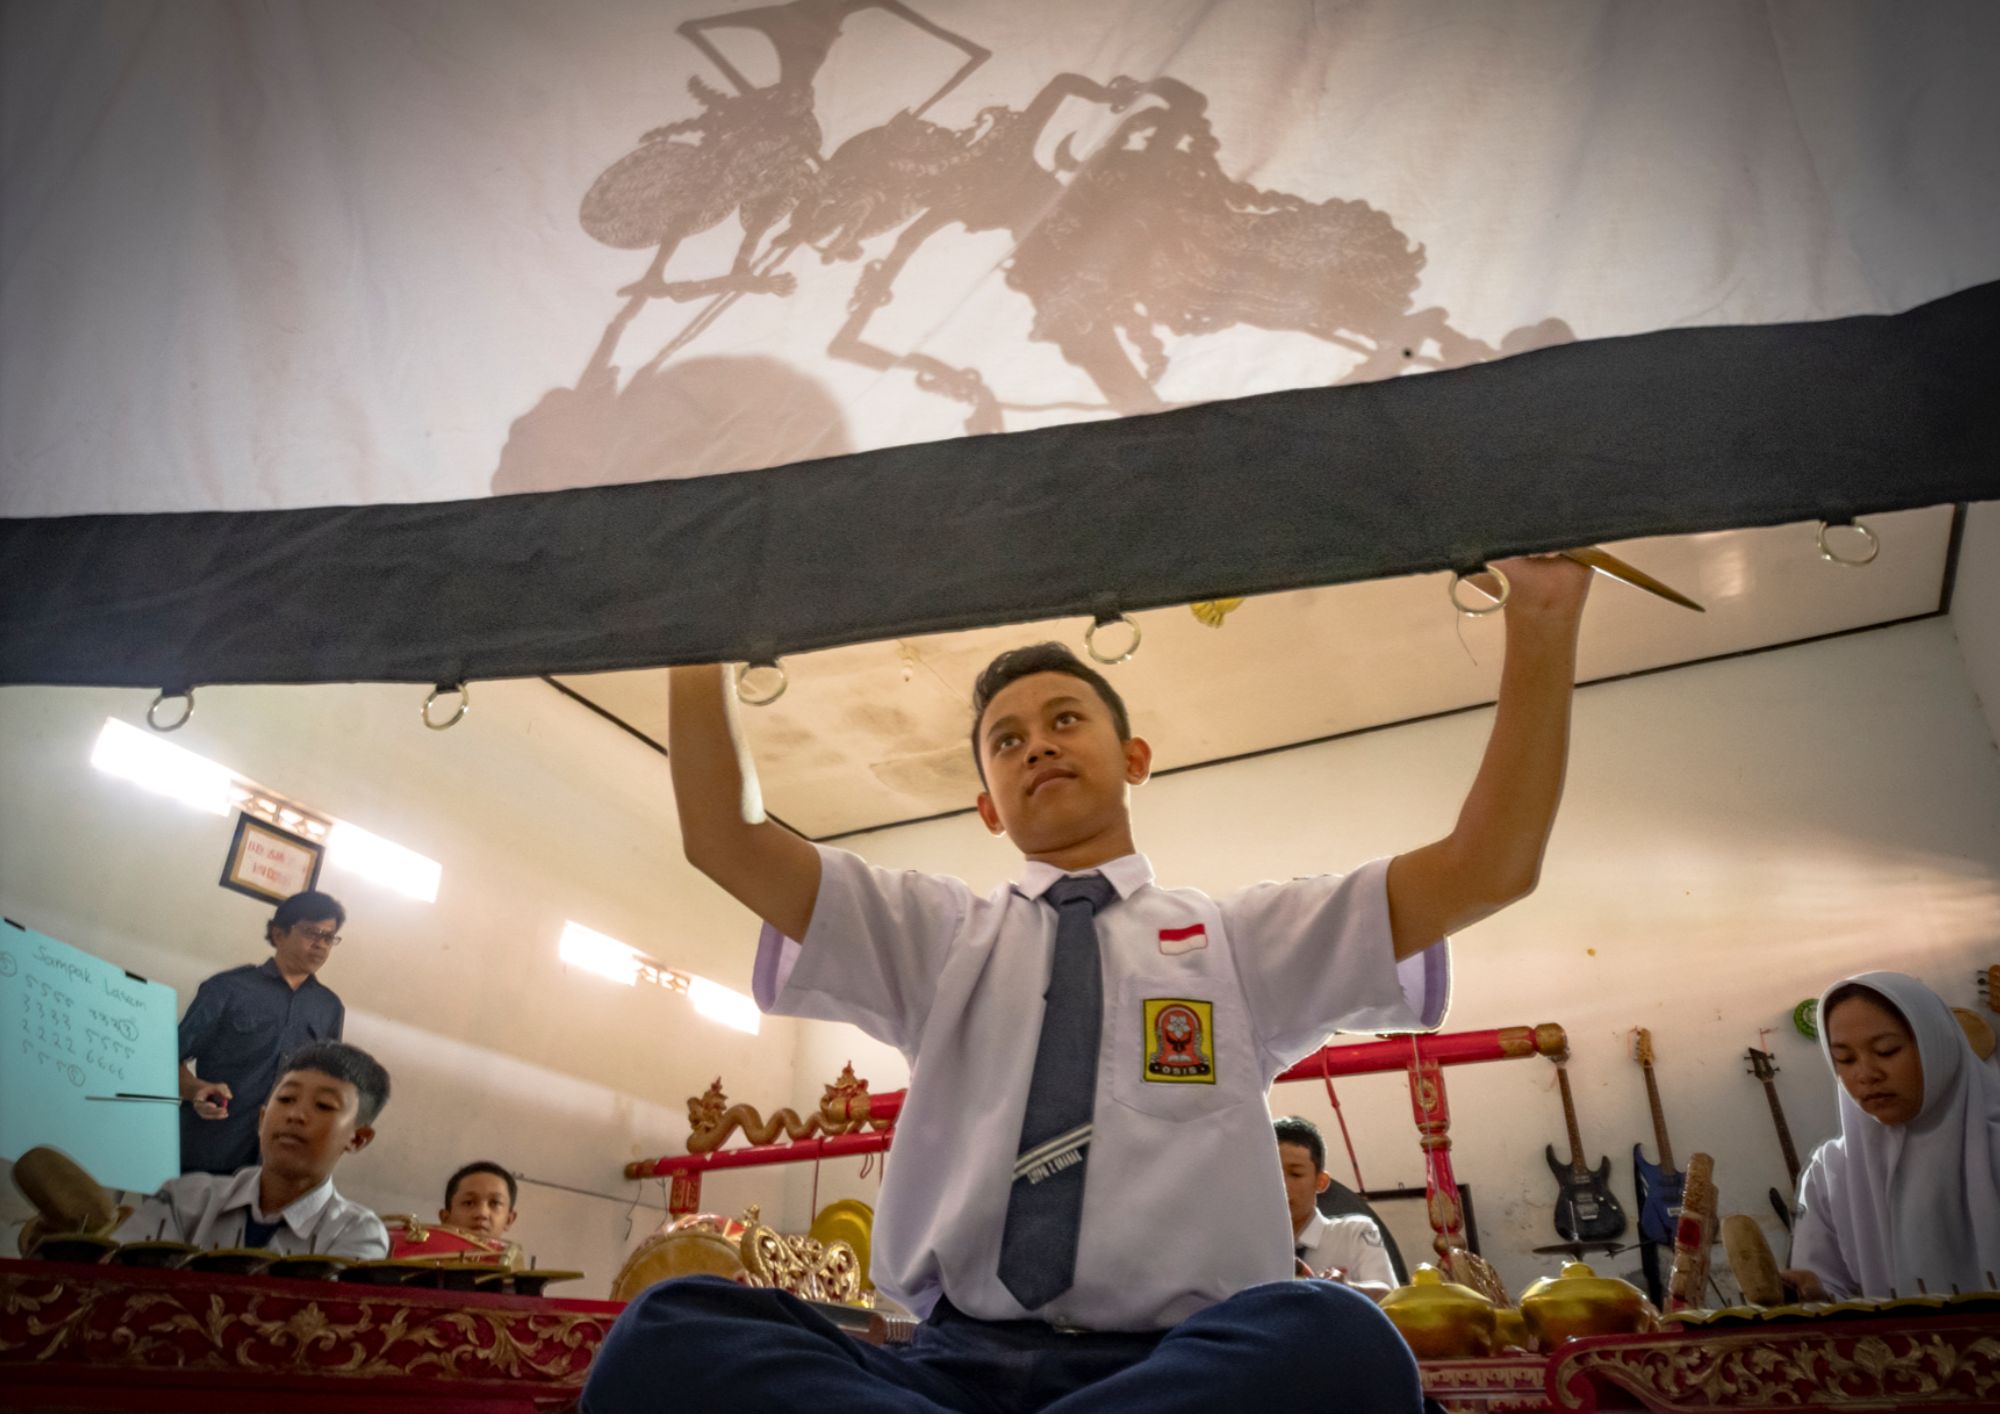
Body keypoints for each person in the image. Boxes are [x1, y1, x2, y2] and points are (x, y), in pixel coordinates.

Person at [587, 554, 1590, 1412]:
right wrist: (696, 635)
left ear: (1133, 756)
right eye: (1007, 739)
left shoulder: (1238, 941)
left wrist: (1542, 616)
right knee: (669, 1334)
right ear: (987, 803)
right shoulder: (936, 937)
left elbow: (1488, 864)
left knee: (1340, 1344)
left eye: (1064, 718)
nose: (1038, 745)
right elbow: (725, 837)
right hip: (946, 1364)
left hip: (1172, 1369)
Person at [1780, 972, 2000, 1302]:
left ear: (1937, 1045)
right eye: (1845, 1059)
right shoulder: (1832, 1170)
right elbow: (1827, 1287)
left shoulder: (1993, 1145)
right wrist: (1814, 1294)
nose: (1866, 1074)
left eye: (1887, 1051)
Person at [115, 1041, 391, 1259]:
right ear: (261, 1120)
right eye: (285, 1099)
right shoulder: (183, 1200)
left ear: (358, 1139)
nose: (295, 1115)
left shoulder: (357, 1233)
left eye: (323, 1106)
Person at [176, 891, 348, 1175]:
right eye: (311, 933)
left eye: (328, 937)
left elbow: (326, 1085)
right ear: (279, 934)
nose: (320, 945)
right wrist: (197, 1089)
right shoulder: (227, 989)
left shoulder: (329, 1007)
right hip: (209, 1150)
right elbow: (166, 1061)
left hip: (277, 1164)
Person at [1276, 1116, 1395, 1300]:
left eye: (1296, 1174)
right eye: (1273, 1173)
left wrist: (1346, 1289)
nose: (1282, 1185)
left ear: (1320, 1182)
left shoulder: (1355, 1232)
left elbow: (1389, 1294)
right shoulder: (1248, 1245)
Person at [441, 1160, 520, 1241]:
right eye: (469, 1203)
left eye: (495, 1203)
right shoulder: (427, 1252)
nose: (482, 1213)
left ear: (509, 1220)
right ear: (445, 1218)